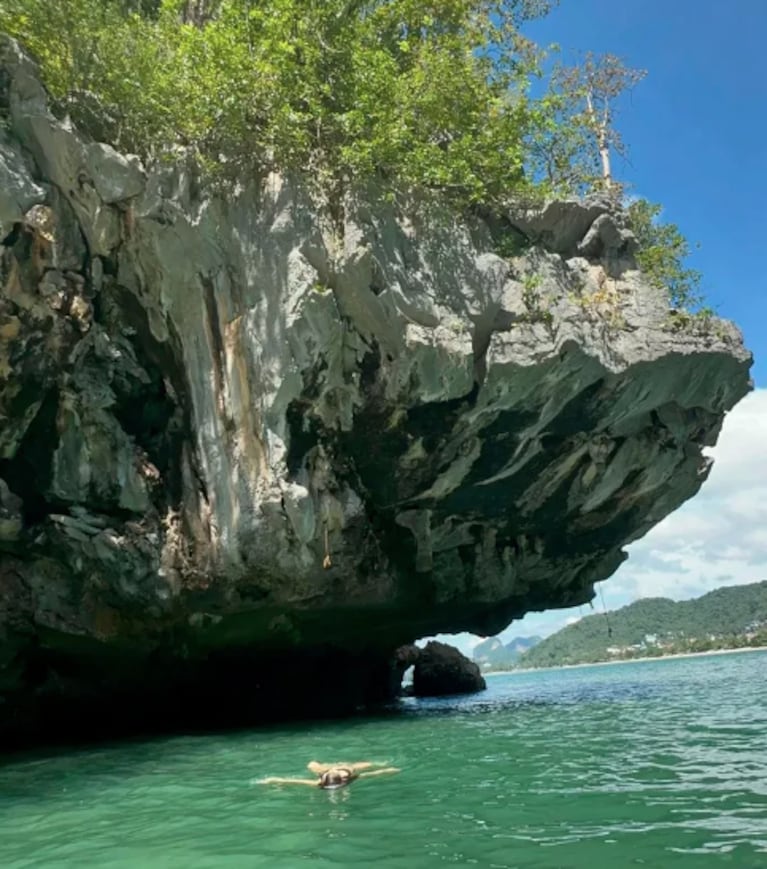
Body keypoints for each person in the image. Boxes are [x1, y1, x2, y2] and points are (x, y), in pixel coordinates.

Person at [257, 760, 400, 790]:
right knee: (311, 765)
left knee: (358, 765)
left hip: (344, 768)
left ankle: (330, 766)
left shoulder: (347, 778)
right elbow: (291, 781)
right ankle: (327, 766)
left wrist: (386, 770)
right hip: (331, 771)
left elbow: (371, 774)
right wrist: (271, 780)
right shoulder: (320, 782)